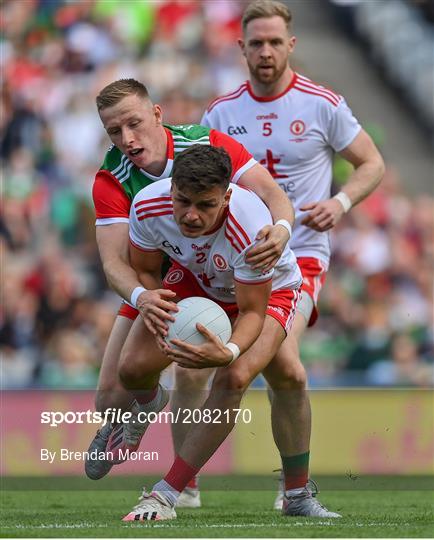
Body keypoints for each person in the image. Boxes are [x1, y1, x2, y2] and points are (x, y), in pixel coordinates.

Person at [170, 0, 385, 513]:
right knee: (193, 364)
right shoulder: (221, 113)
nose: (265, 51)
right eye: (255, 43)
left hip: (301, 256)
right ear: (240, 47)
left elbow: (371, 162)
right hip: (228, 257)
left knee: (281, 364)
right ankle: (195, 482)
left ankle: (289, 492)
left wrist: (340, 200)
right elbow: (197, 183)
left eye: (274, 42)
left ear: (291, 45)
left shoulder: (321, 104)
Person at [85, 78, 295, 480]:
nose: (127, 139)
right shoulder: (112, 179)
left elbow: (273, 194)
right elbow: (115, 263)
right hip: (160, 281)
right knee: (109, 398)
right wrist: (143, 297)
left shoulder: (208, 146)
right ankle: (146, 404)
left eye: (134, 124)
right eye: (114, 131)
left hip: (234, 273)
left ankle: (289, 487)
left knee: (280, 371)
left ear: (157, 114)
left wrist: (282, 229)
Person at [118, 143, 306, 521]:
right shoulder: (146, 205)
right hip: (196, 282)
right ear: (171, 189)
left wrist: (232, 351)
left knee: (236, 377)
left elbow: (252, 311)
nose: (190, 216)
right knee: (132, 368)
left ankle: (165, 494)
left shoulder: (250, 227)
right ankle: (152, 400)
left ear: (227, 196)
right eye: (183, 201)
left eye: (205, 205)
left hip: (268, 292)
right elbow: (146, 270)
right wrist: (155, 303)